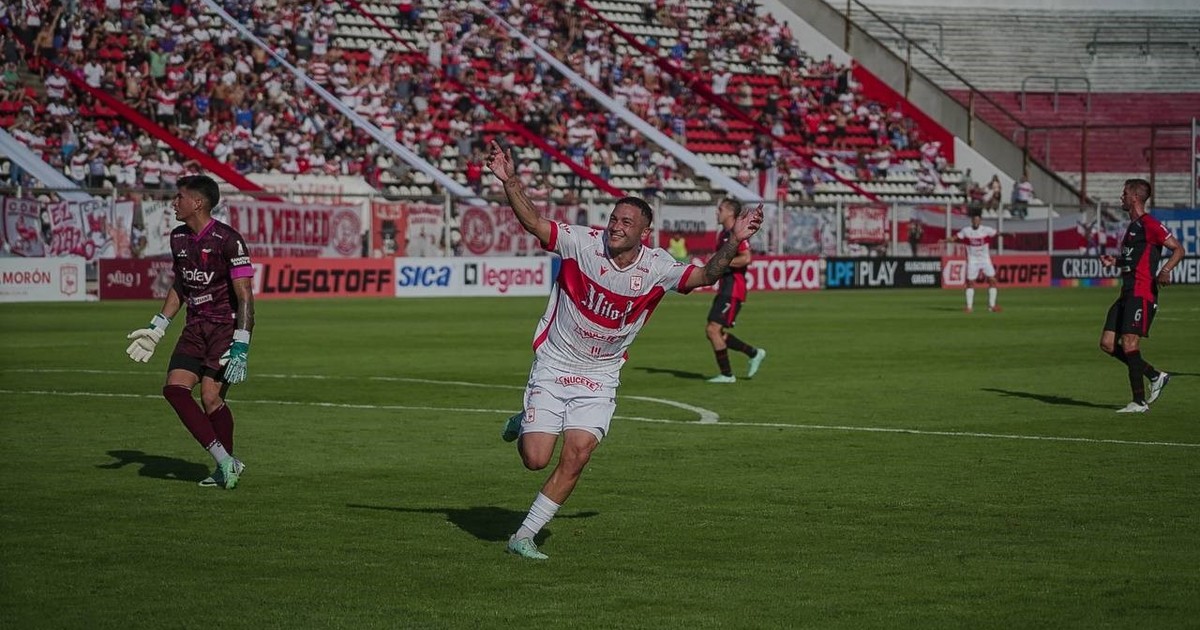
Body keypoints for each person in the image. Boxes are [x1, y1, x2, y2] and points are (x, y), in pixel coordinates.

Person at [486, 139, 763, 560]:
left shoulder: (657, 267)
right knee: (536, 459)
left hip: (600, 375)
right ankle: (525, 421)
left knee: (577, 455)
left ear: (644, 233)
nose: (616, 226)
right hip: (556, 363)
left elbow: (706, 274)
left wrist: (735, 239)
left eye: (626, 222)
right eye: (614, 219)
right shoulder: (582, 243)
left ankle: (523, 535)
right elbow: (537, 224)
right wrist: (510, 181)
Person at [124, 174, 256, 489]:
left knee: (210, 398)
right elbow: (181, 284)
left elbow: (245, 296)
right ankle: (226, 461)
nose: (174, 203)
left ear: (197, 202)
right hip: (194, 327)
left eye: (179, 197)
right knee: (174, 390)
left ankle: (225, 467)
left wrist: (241, 343)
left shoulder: (229, 240)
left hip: (224, 328)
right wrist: (158, 327)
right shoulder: (178, 238)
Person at [1098, 178, 1183, 413]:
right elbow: (1133, 261)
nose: (1121, 197)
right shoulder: (1133, 227)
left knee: (1129, 343)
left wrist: (1166, 270)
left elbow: (1178, 248)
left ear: (1135, 197)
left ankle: (1139, 402)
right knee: (1107, 344)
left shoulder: (1150, 224)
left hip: (1141, 293)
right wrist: (1114, 261)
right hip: (1126, 293)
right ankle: (1155, 375)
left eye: (1124, 193)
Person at [705, 198, 767, 383]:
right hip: (725, 287)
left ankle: (727, 375)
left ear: (731, 212)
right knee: (714, 331)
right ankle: (753, 353)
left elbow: (746, 258)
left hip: (733, 289)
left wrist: (722, 261)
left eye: (721, 209)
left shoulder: (737, 232)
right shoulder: (723, 234)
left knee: (713, 330)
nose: (717, 212)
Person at [945, 212, 1001, 313]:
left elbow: (997, 233)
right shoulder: (966, 231)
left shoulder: (986, 230)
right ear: (972, 221)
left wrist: (1009, 234)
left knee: (992, 280)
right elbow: (955, 237)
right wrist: (946, 240)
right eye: (974, 220)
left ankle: (992, 306)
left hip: (985, 259)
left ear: (980, 221)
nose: (976, 222)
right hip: (973, 260)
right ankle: (969, 307)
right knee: (970, 283)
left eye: (978, 220)